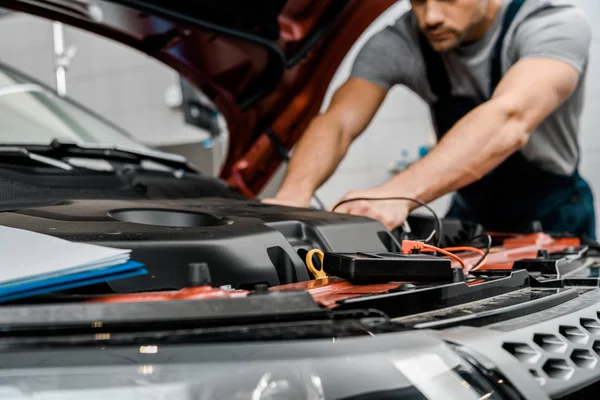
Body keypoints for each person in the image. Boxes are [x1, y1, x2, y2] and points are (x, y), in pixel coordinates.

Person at [263, 0, 596, 239]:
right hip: (471, 212)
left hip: (555, 212)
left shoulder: (552, 25)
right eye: (419, 2)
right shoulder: (401, 42)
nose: (431, 16)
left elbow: (509, 118)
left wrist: (398, 192)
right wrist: (294, 196)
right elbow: (338, 121)